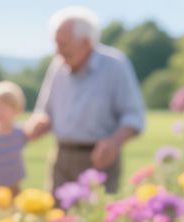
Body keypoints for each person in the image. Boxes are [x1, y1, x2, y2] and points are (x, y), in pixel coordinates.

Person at [25, 5, 145, 193]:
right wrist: (39, 123)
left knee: (96, 212)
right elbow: (45, 111)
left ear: (86, 43)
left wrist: (115, 142)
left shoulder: (114, 65)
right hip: (61, 158)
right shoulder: (58, 65)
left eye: (63, 44)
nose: (57, 51)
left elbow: (133, 116)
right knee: (56, 212)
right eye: (55, 43)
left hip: (99, 161)